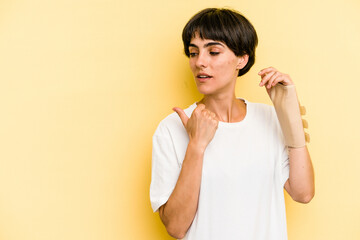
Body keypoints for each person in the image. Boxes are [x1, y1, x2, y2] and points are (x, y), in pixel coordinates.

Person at [150, 8, 315, 240]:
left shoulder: (269, 119)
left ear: (242, 59)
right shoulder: (172, 128)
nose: (200, 62)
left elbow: (303, 192)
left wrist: (291, 120)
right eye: (193, 53)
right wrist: (196, 145)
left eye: (213, 51)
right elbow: (176, 227)